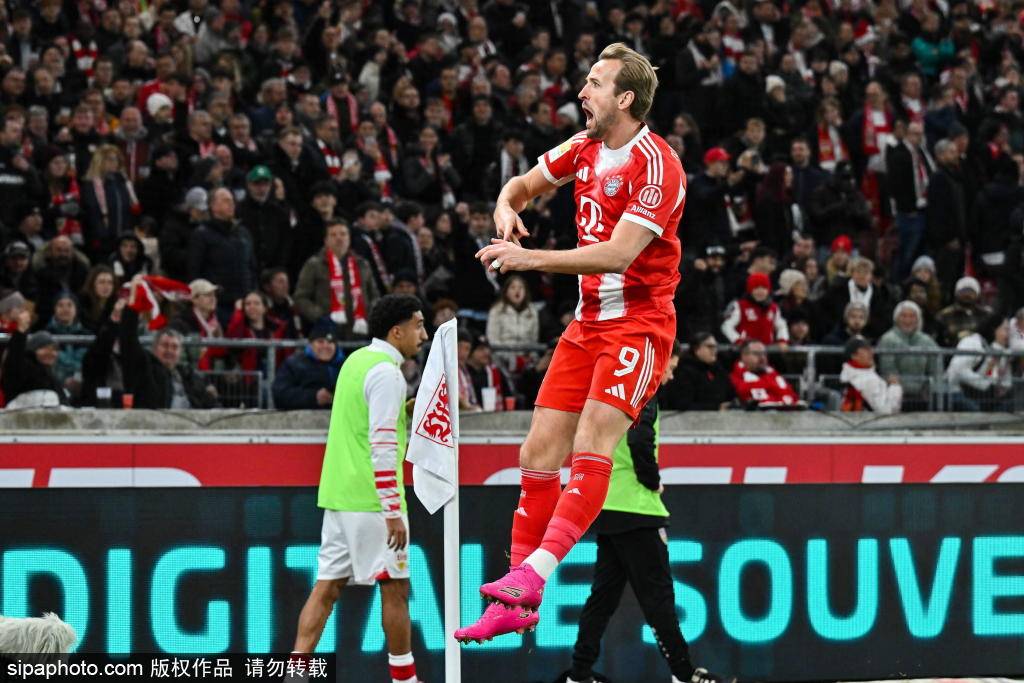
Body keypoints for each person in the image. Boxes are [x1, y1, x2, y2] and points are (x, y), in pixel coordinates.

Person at [456, 46, 712, 674]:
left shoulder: (660, 166)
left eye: (594, 84)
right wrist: (506, 207)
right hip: (588, 323)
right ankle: (515, 600)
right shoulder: (584, 147)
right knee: (537, 452)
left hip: (640, 325)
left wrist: (528, 260)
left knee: (591, 444)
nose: (582, 92)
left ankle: (534, 575)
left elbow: (618, 255)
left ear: (625, 99)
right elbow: (522, 185)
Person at [290, 295, 428, 683]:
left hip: (339, 496)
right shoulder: (388, 374)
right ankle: (405, 680)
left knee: (326, 588)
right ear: (397, 331)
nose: (423, 334)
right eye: (418, 325)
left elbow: (364, 423)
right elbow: (381, 446)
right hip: (372, 501)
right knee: (395, 588)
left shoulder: (355, 361)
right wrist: (392, 510)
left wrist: (404, 411)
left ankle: (295, 674)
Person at [567, 344, 720, 683]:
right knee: (658, 598)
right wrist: (652, 481)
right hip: (636, 508)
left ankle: (578, 674)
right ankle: (684, 674)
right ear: (659, 362)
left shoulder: (613, 390)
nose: (672, 375)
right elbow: (639, 442)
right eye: (671, 367)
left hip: (607, 503)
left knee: (602, 598)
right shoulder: (644, 393)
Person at [120, 282, 219, 409]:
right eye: (165, 345)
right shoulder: (146, 368)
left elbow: (208, 403)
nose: (169, 351)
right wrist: (133, 305)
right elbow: (128, 340)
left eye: (174, 347)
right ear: (155, 348)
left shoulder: (187, 375)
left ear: (180, 352)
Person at [294, 219, 380, 340]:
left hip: (361, 332)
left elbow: (375, 296)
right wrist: (319, 316)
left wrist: (369, 315)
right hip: (327, 335)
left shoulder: (362, 264)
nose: (339, 238)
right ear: (326, 240)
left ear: (349, 238)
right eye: (333, 235)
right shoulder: (314, 265)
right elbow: (301, 297)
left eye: (343, 234)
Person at [875, 301, 940, 409]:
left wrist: (929, 388)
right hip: (896, 395)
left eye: (912, 316)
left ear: (918, 319)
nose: (907, 320)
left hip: (924, 395)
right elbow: (888, 370)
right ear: (896, 319)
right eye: (903, 316)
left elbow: (936, 369)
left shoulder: (927, 340)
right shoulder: (888, 339)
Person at [0, 308, 67, 407]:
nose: (50, 353)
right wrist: (21, 331)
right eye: (44, 348)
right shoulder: (24, 370)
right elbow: (14, 360)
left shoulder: (52, 378)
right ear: (32, 350)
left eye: (54, 349)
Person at [271, 322, 345, 410]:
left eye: (330, 342)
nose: (325, 346)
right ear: (310, 344)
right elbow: (280, 394)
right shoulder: (294, 364)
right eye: (320, 341)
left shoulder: (345, 365)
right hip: (302, 416)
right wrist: (314, 397)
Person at [660, 332, 734, 411]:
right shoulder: (684, 372)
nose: (714, 350)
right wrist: (716, 407)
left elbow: (731, 395)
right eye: (710, 346)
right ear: (696, 349)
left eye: (715, 346)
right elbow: (682, 404)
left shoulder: (719, 369)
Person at [730, 340, 803, 410]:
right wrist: (770, 385)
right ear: (744, 356)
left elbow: (792, 396)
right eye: (756, 354)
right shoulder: (734, 379)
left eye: (764, 353)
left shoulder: (774, 374)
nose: (762, 357)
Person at [486, 274, 540, 369]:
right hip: (502, 361)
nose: (517, 291)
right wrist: (512, 359)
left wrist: (530, 358)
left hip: (525, 361)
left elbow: (533, 339)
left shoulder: (532, 311)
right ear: (506, 292)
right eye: (513, 287)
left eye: (520, 287)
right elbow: (493, 340)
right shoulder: (496, 310)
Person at [721, 272, 789, 345]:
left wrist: (782, 340)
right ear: (750, 290)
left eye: (764, 288)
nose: (760, 291)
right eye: (756, 288)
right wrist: (738, 340)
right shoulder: (740, 306)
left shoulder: (773, 308)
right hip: (746, 349)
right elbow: (727, 326)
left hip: (767, 349)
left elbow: (781, 326)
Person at [840, 336, 903, 414]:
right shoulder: (868, 380)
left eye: (870, 348)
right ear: (854, 356)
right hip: (869, 421)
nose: (871, 352)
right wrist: (895, 386)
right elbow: (886, 412)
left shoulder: (848, 375)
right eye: (865, 349)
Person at [935, 276, 993, 347]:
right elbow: (939, 342)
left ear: (977, 294)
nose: (967, 295)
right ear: (957, 293)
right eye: (964, 291)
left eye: (971, 292)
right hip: (952, 352)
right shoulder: (944, 315)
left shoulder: (986, 314)